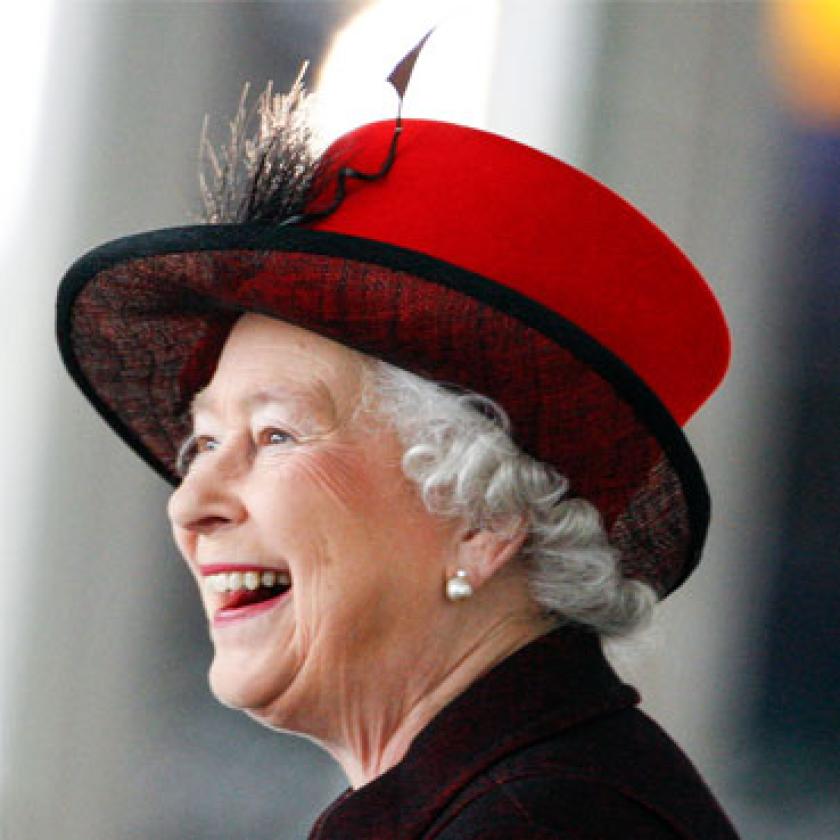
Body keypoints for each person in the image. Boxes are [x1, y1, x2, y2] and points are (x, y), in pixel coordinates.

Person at [57, 65, 740, 838]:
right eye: (205, 441)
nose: (189, 501)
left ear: (483, 518)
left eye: (276, 435)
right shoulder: (506, 797)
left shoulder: (544, 823)